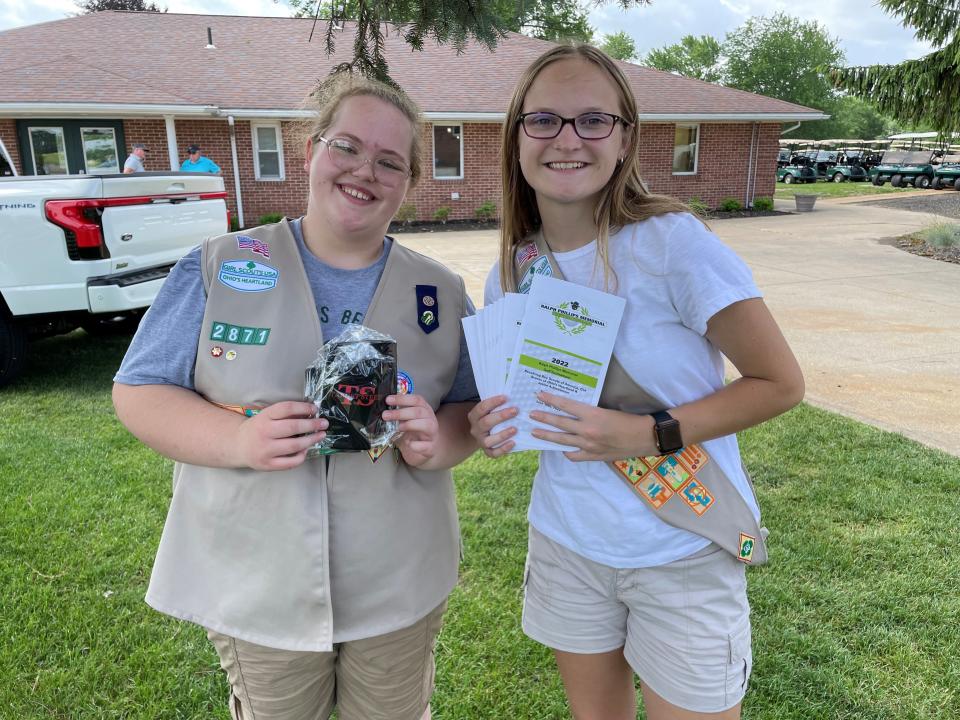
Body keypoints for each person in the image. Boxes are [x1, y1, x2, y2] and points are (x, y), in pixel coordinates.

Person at [113, 74, 479, 720]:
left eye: (390, 161)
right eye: (347, 146)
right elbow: (139, 392)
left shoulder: (441, 293)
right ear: (311, 151)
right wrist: (238, 440)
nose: (365, 170)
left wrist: (437, 439)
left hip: (399, 580)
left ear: (408, 181)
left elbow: (468, 414)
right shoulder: (218, 266)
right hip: (257, 581)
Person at [468, 44, 805, 720]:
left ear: (624, 138)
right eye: (544, 121)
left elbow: (779, 383)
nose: (568, 139)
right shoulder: (511, 271)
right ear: (517, 137)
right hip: (567, 543)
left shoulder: (672, 243)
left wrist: (652, 433)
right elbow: (527, 405)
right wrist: (491, 424)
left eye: (593, 119)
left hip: (680, 548)